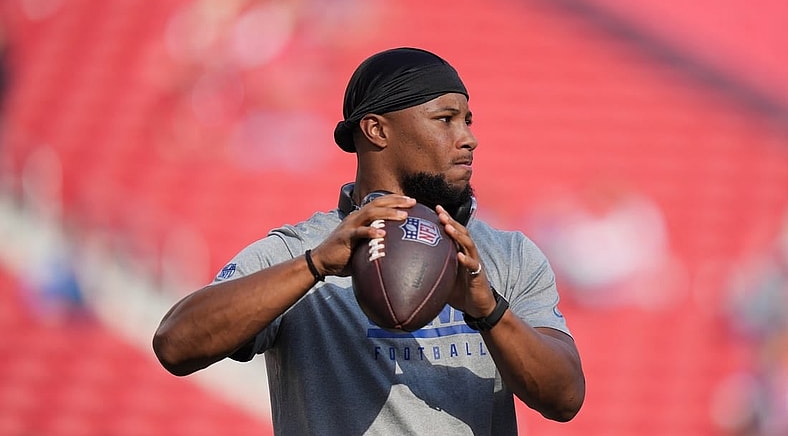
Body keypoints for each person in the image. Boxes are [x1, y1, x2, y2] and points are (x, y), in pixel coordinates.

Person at [153, 47, 585, 435]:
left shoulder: (506, 255)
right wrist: (314, 266)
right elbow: (176, 345)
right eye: (445, 119)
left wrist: (487, 310)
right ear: (377, 130)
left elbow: (564, 399)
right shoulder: (301, 250)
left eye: (468, 121)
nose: (469, 138)